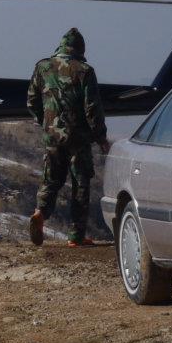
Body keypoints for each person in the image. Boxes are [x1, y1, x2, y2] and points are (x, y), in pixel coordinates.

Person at [27, 27, 109, 247]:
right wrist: (101, 137)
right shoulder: (84, 71)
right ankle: (76, 236)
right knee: (80, 184)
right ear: (80, 49)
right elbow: (92, 108)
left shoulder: (42, 67)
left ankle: (40, 214)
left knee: (51, 179)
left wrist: (45, 123)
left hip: (51, 136)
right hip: (78, 138)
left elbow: (32, 100)